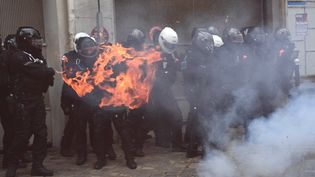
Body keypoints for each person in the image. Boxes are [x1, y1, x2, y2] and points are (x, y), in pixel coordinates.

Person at [5, 26, 55, 177]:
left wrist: (45, 72)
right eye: (35, 40)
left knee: (41, 133)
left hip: (37, 99)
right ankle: (12, 166)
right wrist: (46, 71)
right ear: (26, 40)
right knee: (22, 134)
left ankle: (38, 166)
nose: (38, 43)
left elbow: (45, 75)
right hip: (23, 100)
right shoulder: (18, 56)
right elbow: (39, 71)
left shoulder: (37, 56)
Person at [150, 27, 184, 151]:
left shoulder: (173, 53)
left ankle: (175, 143)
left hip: (166, 89)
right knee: (159, 115)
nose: (170, 47)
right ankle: (162, 140)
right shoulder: (151, 52)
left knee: (174, 115)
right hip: (154, 90)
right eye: (168, 44)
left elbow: (176, 68)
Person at [183, 29, 215, 158]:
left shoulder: (196, 54)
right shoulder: (196, 56)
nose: (209, 46)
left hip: (198, 92)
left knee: (196, 121)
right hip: (198, 93)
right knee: (202, 121)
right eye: (206, 42)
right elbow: (198, 76)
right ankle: (205, 151)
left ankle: (192, 150)